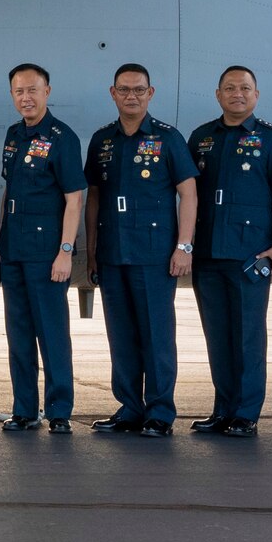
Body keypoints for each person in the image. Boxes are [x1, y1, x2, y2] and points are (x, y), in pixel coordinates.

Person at [82, 63, 197, 436]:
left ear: (151, 93)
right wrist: (92, 251)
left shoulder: (168, 138)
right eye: (124, 90)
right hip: (114, 254)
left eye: (139, 90)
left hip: (154, 255)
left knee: (157, 334)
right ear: (113, 93)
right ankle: (130, 407)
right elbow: (94, 198)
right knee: (122, 335)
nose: (131, 96)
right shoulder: (102, 140)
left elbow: (189, 194)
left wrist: (184, 246)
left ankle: (160, 412)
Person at [186, 66, 272, 438]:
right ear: (218, 94)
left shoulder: (271, 138)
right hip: (209, 253)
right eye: (230, 88)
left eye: (245, 88)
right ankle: (223, 409)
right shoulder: (202, 138)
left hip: (251, 254)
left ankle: (246, 412)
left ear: (256, 94)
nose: (238, 94)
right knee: (217, 335)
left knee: (248, 335)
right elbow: (187, 195)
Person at [0, 63, 84, 433]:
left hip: (46, 253)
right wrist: (1, 245)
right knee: (18, 334)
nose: (26, 98)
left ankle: (59, 411)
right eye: (19, 91)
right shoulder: (14, 135)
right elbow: (9, 193)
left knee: (52, 333)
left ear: (47, 91)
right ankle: (25, 410)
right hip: (14, 251)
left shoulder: (63, 137)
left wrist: (65, 251)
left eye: (33, 90)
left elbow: (74, 199)